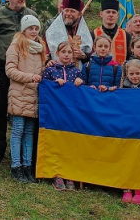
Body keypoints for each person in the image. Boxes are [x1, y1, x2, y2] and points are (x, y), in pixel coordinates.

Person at [0, 0, 39, 164]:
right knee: (0, 110)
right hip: (3, 69)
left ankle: (24, 153)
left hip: (26, 72)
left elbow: (38, 42)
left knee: (25, 110)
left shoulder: (31, 16)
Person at [5, 15, 47, 183]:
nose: (34, 31)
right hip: (19, 94)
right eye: (31, 28)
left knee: (29, 132)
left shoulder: (40, 48)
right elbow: (10, 70)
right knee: (18, 131)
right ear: (24, 30)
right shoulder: (15, 46)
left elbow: (42, 69)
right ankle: (16, 166)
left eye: (36, 28)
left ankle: (28, 166)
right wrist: (30, 77)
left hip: (34, 96)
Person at [42, 41, 84, 190]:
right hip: (55, 115)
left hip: (72, 116)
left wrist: (81, 82)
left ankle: (70, 175)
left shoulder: (77, 72)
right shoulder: (51, 70)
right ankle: (57, 175)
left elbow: (83, 92)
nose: (66, 55)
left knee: (70, 144)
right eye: (63, 52)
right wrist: (54, 83)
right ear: (57, 54)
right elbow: (43, 86)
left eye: (69, 52)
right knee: (57, 143)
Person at [118, 59, 140, 204]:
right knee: (126, 158)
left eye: (137, 73)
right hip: (127, 130)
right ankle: (126, 188)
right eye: (131, 74)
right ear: (126, 74)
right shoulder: (122, 90)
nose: (134, 76)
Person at [45, 0, 93, 67]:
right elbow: (44, 51)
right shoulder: (51, 31)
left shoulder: (85, 33)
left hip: (78, 74)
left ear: (79, 14)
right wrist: (48, 61)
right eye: (66, 10)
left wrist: (84, 56)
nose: (68, 14)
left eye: (72, 11)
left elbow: (93, 55)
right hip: (56, 73)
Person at [91, 0, 131, 65]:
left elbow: (130, 56)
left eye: (114, 12)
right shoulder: (93, 34)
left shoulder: (126, 35)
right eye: (108, 12)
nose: (111, 15)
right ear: (101, 14)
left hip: (121, 73)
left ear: (117, 15)